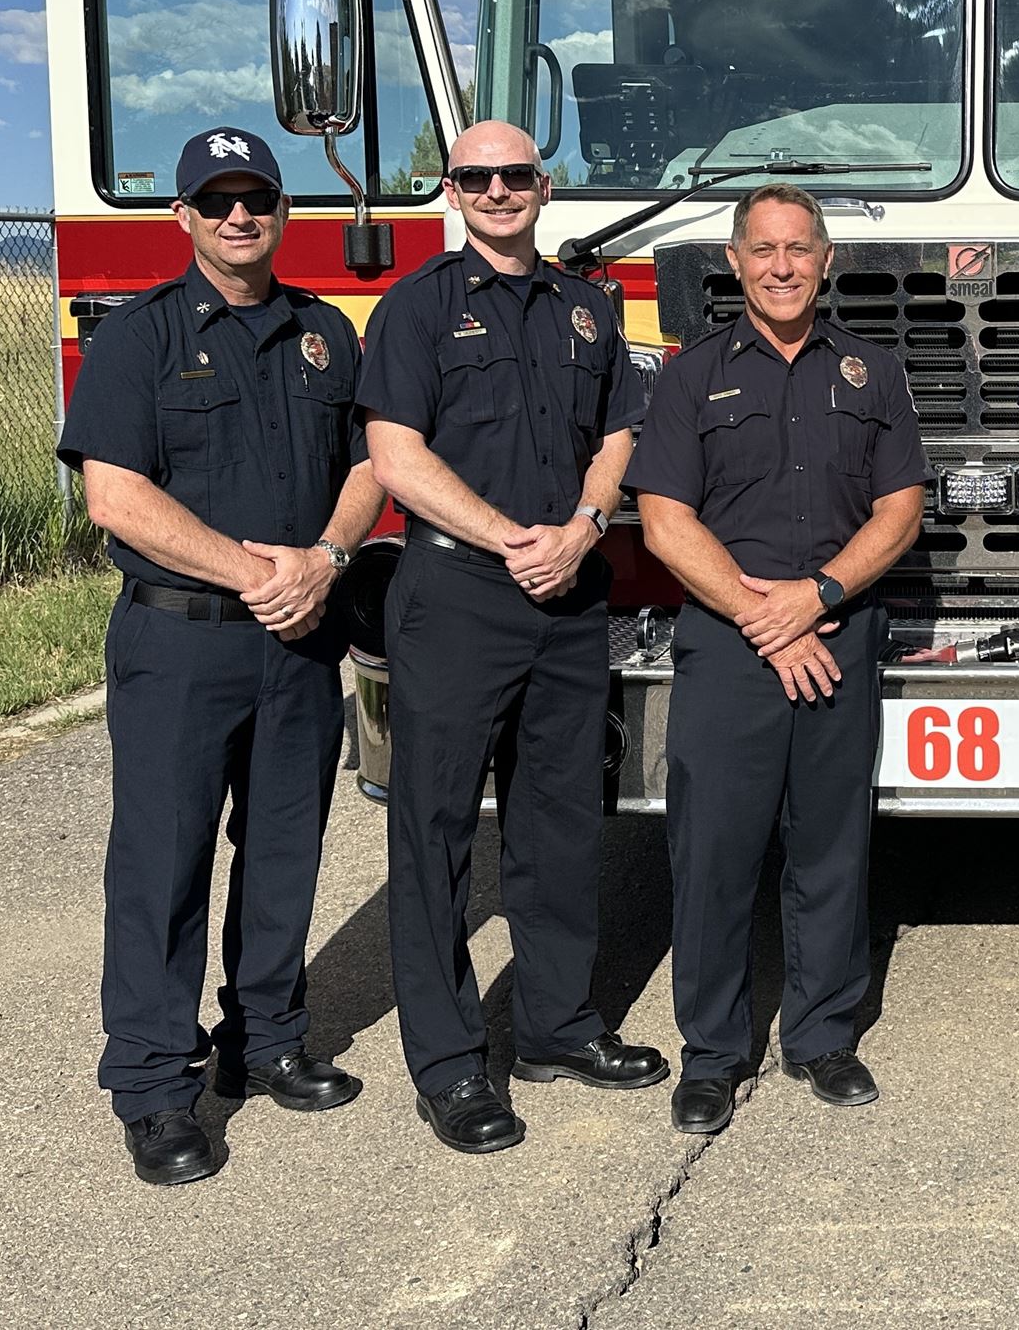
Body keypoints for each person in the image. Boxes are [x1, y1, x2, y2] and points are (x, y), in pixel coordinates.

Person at [58, 126, 382, 1186]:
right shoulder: (139, 338)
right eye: (218, 200)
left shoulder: (326, 333)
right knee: (163, 864)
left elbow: (371, 464)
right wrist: (256, 574)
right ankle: (155, 1088)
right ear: (184, 216)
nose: (241, 216)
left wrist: (328, 557)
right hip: (181, 643)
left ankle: (268, 1040)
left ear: (283, 212)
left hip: (299, 642)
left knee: (286, 847)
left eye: (259, 199)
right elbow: (116, 496)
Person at [357, 120, 668, 1155]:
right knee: (436, 834)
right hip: (455, 596)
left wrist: (581, 526)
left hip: (567, 597)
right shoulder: (415, 308)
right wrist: (507, 539)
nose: (497, 191)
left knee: (562, 824)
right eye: (475, 177)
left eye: (515, 175)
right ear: (450, 191)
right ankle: (449, 1068)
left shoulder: (588, 309)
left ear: (544, 186)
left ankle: (556, 1027)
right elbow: (394, 454)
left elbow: (620, 427)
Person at [627, 185, 926, 1138]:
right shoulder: (689, 377)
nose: (783, 266)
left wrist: (820, 597)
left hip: (840, 631)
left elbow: (900, 512)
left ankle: (823, 1038)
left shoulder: (874, 374)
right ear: (736, 260)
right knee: (713, 851)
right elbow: (667, 522)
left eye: (799, 249)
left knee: (831, 845)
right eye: (765, 250)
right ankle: (711, 1057)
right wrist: (767, 614)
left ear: (826, 260)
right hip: (729, 637)